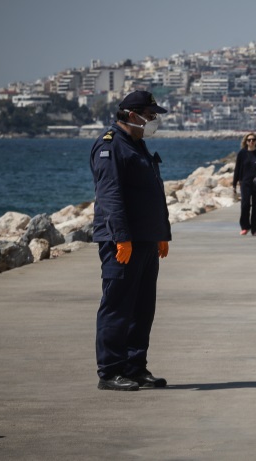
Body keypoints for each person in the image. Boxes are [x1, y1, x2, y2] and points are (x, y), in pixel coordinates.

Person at [89, 90, 171, 391]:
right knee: (117, 307)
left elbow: (153, 192)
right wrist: (121, 239)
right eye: (151, 115)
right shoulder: (110, 147)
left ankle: (136, 367)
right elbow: (110, 197)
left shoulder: (138, 146)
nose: (154, 120)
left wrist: (162, 233)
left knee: (142, 308)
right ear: (133, 115)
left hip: (147, 240)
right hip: (123, 243)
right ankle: (110, 371)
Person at [232, 132, 256, 236]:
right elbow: (237, 169)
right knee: (245, 205)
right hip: (245, 182)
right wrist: (234, 184)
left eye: (253, 140)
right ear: (246, 142)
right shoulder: (242, 153)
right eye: (249, 140)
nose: (251, 142)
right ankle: (245, 226)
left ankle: (254, 228)